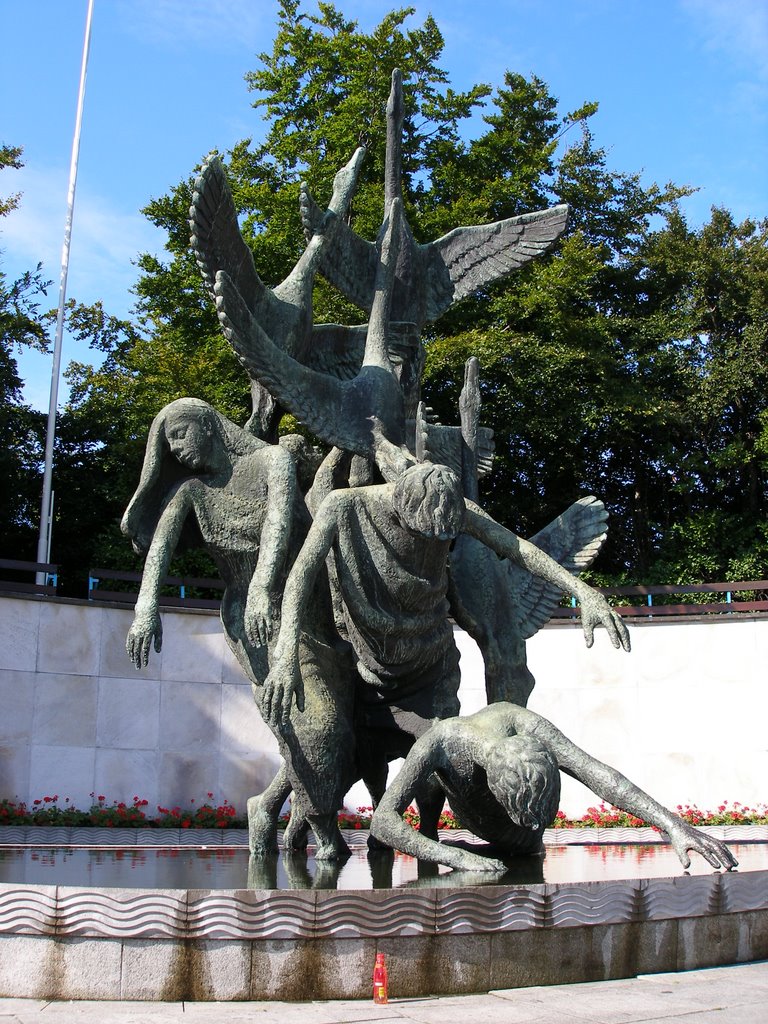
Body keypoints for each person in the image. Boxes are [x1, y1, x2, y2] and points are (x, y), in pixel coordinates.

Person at [122, 397, 358, 859]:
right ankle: (324, 833)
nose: (178, 448)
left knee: (336, 720)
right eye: (169, 443)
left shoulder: (273, 460)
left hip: (303, 604)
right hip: (247, 621)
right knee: (300, 719)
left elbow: (278, 521)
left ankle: (273, 807)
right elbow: (160, 550)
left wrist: (264, 586)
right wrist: (145, 606)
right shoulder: (191, 493)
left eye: (182, 433)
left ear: (209, 426)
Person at [264, 460, 630, 747]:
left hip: (432, 659)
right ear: (400, 507)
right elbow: (300, 577)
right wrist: (285, 656)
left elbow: (519, 549)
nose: (431, 546)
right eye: (423, 535)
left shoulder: (460, 508)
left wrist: (582, 591)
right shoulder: (342, 506)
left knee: (444, 764)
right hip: (368, 659)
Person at [369, 701, 738, 873]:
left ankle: (488, 845)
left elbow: (596, 772)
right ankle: (442, 839)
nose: (533, 825)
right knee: (428, 778)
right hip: (475, 830)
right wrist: (455, 857)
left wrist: (672, 824)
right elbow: (382, 821)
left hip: (522, 849)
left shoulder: (522, 723)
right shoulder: (440, 741)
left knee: (526, 848)